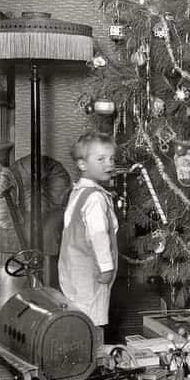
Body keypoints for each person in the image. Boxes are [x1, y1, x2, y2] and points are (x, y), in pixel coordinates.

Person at [58, 132, 118, 334]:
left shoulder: (78, 192)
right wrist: (106, 267)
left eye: (111, 158)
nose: (108, 164)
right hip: (91, 273)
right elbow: (99, 236)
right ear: (82, 164)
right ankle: (93, 355)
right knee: (92, 319)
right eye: (100, 159)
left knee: (77, 314)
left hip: (72, 270)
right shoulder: (95, 199)